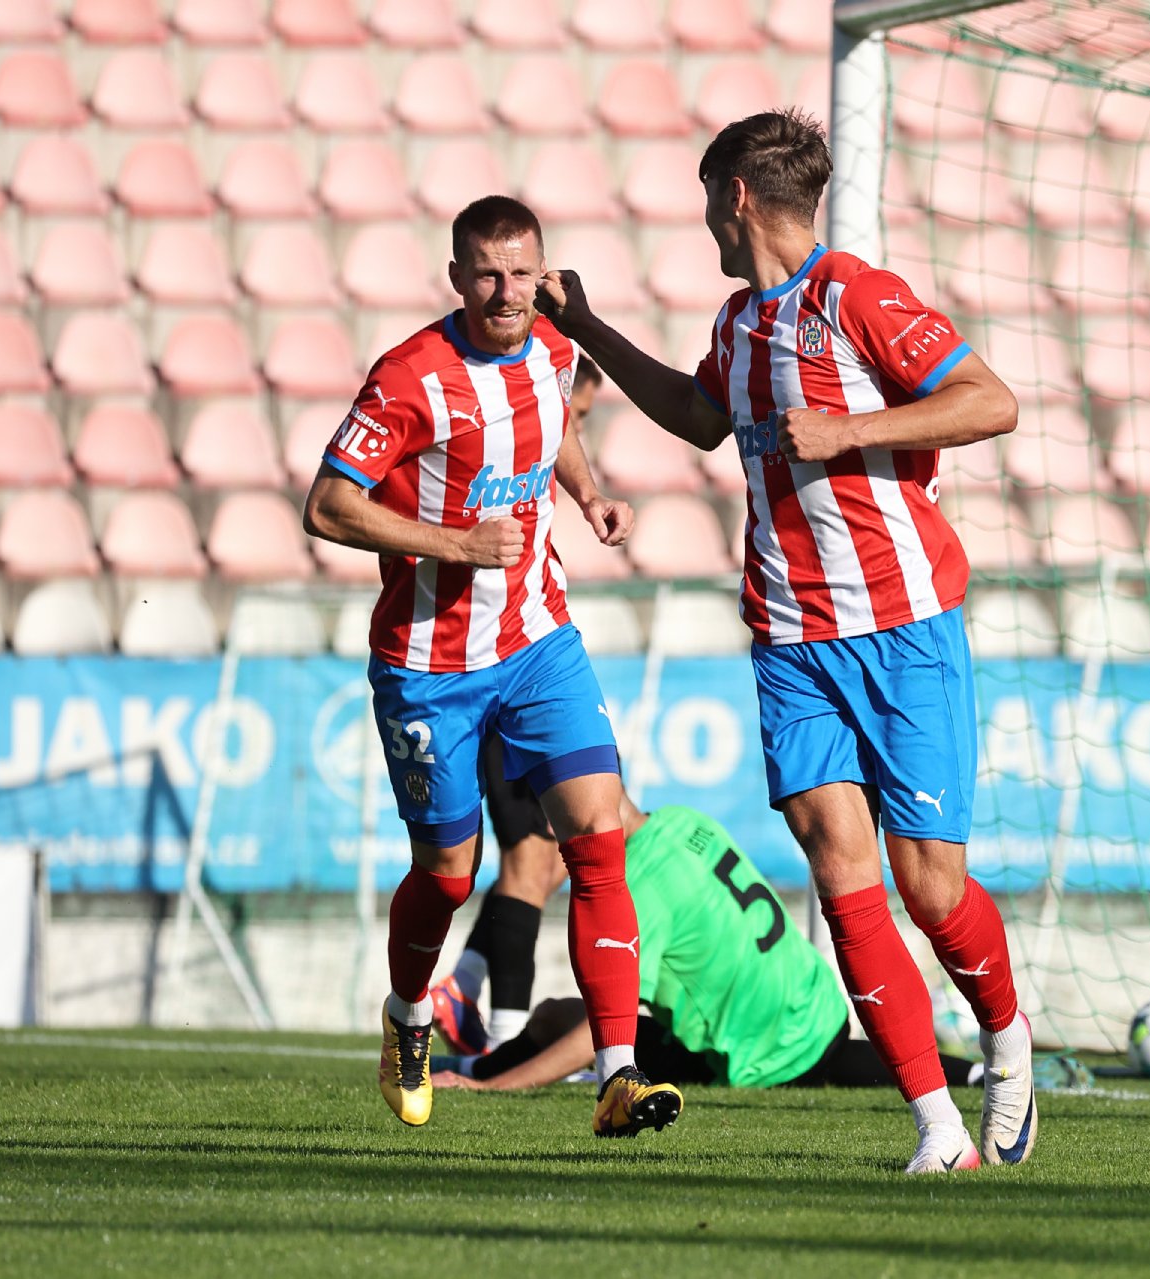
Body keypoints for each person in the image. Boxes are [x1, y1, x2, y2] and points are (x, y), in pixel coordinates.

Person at [536, 109, 1036, 1174]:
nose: (705, 224)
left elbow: (990, 402)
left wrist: (852, 430)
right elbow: (699, 415)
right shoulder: (739, 324)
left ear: (737, 198)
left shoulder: (857, 296)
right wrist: (589, 329)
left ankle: (1005, 1035)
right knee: (839, 867)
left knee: (931, 890)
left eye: (707, 201)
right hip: (792, 636)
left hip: (902, 628)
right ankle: (939, 1127)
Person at [303, 196, 681, 1139]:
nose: (507, 291)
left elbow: (552, 431)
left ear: (540, 272)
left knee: (596, 837)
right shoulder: (411, 377)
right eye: (487, 274)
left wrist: (588, 496)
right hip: (429, 663)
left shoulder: (554, 344)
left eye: (521, 272)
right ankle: (408, 1017)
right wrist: (456, 545)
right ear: (457, 277)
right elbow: (327, 506)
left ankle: (618, 1073)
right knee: (448, 872)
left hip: (538, 641)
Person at [429, 782, 979, 1094]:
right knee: (554, 1014)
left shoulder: (631, 891)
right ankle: (466, 1067)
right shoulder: (679, 820)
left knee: (585, 1029)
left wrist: (495, 1092)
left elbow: (605, 1034)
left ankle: (476, 1076)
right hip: (810, 996)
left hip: (767, 1051)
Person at [447, 362, 603, 1050]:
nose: (573, 431)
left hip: (521, 667)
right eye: (576, 415)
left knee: (544, 860)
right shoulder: (506, 454)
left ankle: (464, 986)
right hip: (498, 676)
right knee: (529, 862)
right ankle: (506, 1034)